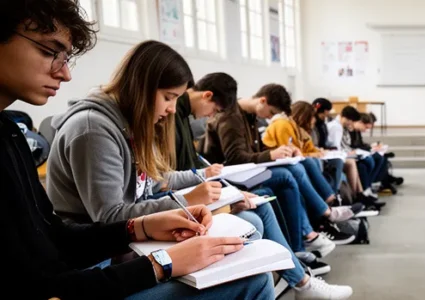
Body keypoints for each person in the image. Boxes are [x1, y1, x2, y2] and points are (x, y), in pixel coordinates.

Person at [0, 1, 273, 298]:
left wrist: (142, 227)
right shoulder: (92, 127)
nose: (66, 74)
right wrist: (162, 263)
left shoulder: (11, 133)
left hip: (87, 256)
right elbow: (43, 279)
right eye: (50, 52)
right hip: (90, 267)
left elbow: (54, 236)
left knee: (247, 236)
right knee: (252, 272)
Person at [46, 41, 352, 299]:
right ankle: (302, 271)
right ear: (142, 88)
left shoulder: (128, 125)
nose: (170, 109)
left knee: (246, 231)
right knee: (250, 243)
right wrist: (188, 202)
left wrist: (197, 182)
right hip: (100, 263)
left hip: (126, 246)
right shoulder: (94, 130)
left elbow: (151, 181)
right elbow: (110, 217)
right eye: (168, 98)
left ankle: (301, 269)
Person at [201, 84, 359, 244]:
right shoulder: (232, 117)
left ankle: (309, 234)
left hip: (247, 171)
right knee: (289, 174)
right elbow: (235, 157)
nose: (270, 118)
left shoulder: (250, 116)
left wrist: (281, 150)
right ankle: (321, 218)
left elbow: (253, 149)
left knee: (296, 168)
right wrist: (271, 154)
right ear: (262, 101)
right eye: (271, 113)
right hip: (231, 176)